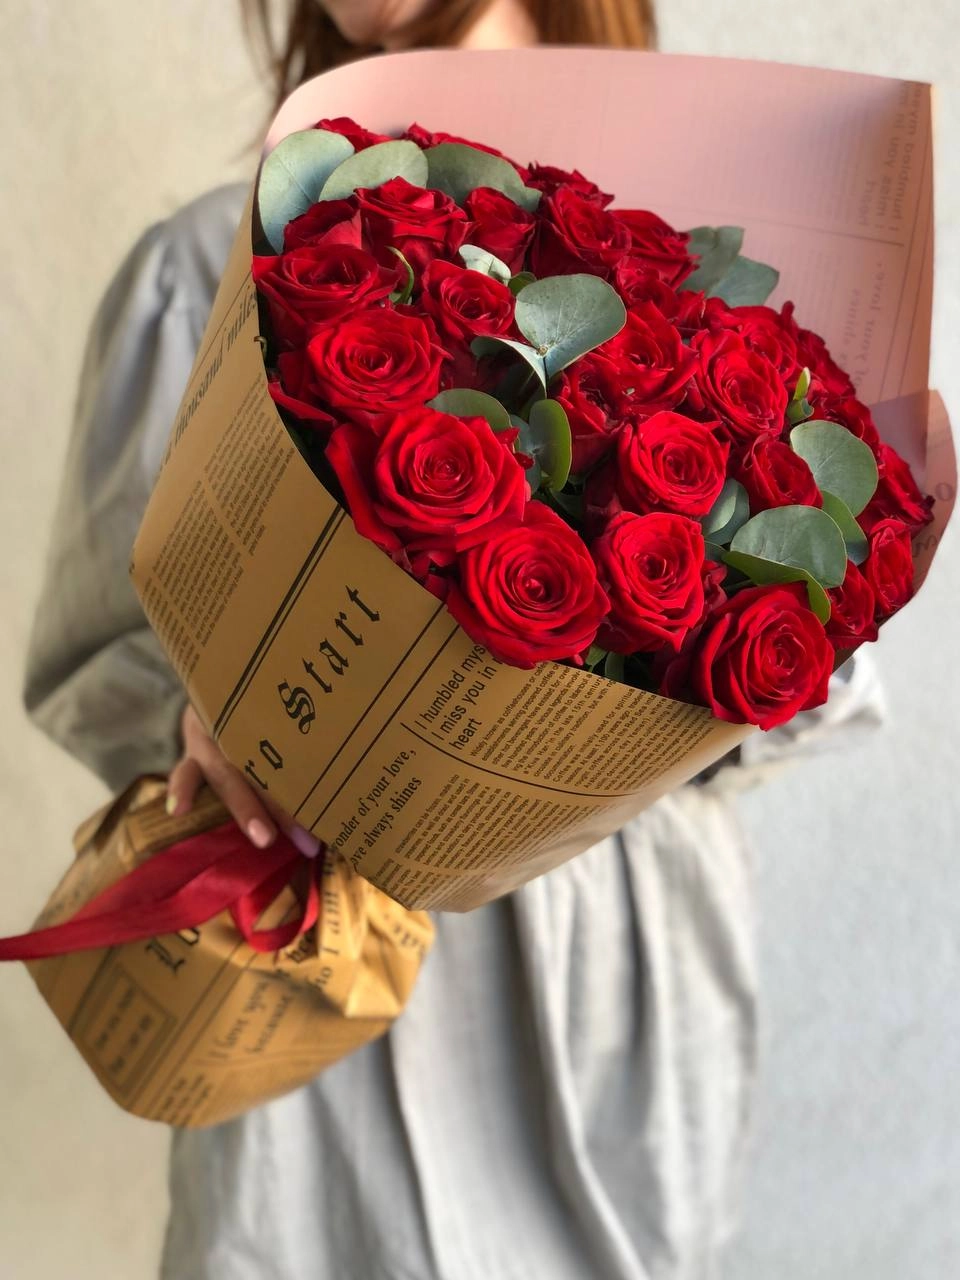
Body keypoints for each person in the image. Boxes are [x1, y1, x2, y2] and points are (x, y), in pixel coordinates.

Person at [25, 2, 884, 1277]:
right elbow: (93, 653)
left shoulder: (719, 285)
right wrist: (228, 714)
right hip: (325, 970)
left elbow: (828, 666)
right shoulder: (212, 267)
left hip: (615, 994)